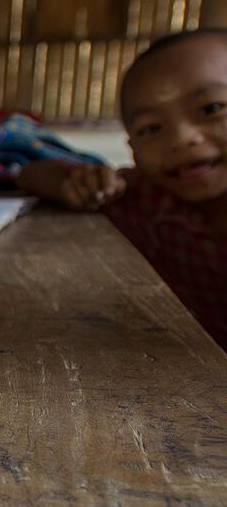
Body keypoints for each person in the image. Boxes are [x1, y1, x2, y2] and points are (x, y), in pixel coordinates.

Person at [18, 27, 226, 349]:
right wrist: (74, 184)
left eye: (211, 109)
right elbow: (33, 172)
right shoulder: (151, 198)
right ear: (132, 149)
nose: (181, 138)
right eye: (151, 128)